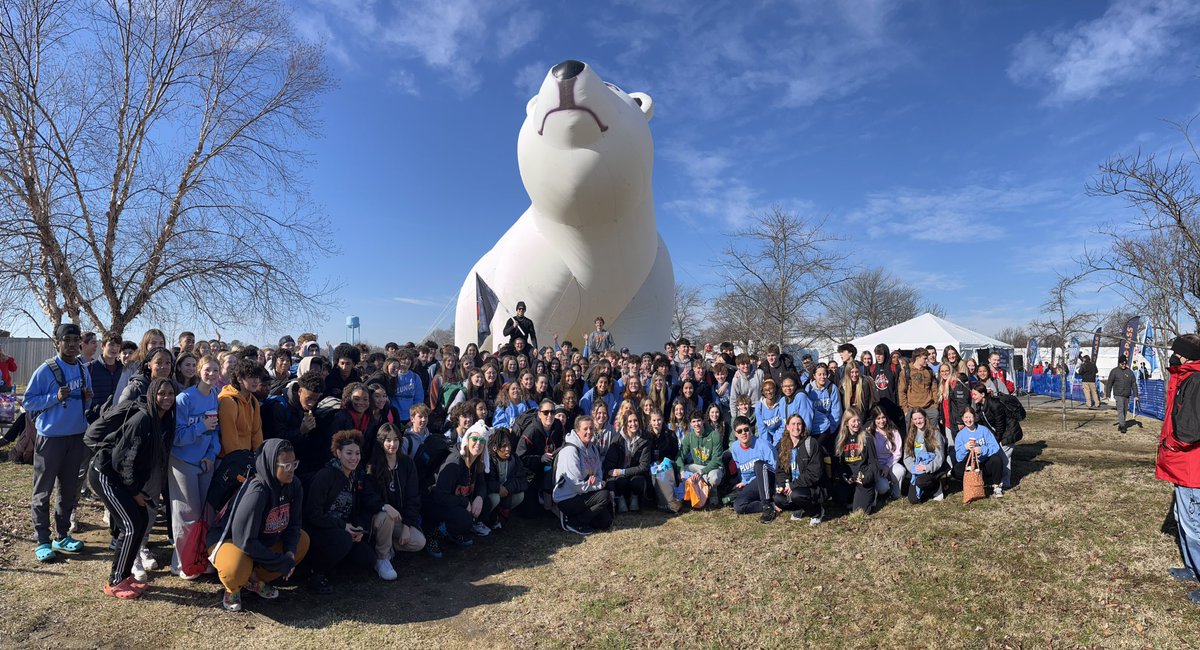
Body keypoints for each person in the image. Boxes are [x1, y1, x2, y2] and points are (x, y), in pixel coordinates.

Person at [86, 377, 175, 598]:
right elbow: (123, 461)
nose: (166, 398)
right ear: (152, 395)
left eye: (170, 394)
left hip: (123, 477)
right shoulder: (143, 419)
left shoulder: (164, 419)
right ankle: (116, 582)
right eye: (161, 393)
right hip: (106, 474)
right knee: (131, 525)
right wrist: (135, 492)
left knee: (141, 521)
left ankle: (125, 575)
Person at [207, 439, 309, 612]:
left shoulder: (294, 485)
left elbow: (294, 524)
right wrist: (279, 562)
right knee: (236, 568)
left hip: (261, 542)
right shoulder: (257, 491)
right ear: (271, 465)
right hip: (231, 541)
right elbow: (244, 541)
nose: (291, 469)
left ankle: (253, 579)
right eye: (286, 465)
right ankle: (233, 587)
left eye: (294, 464)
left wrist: (289, 552)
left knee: (302, 541)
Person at [27, 323, 94, 563]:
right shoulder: (46, 369)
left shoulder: (83, 369)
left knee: (68, 490)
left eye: (76, 340)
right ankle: (42, 540)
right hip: (51, 439)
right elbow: (29, 402)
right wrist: (53, 397)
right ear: (57, 342)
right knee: (43, 491)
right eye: (67, 340)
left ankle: (62, 535)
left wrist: (87, 398)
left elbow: (86, 401)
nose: (73, 344)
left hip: (76, 437)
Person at [304, 430, 390, 592]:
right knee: (343, 540)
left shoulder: (355, 477)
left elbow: (355, 510)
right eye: (349, 453)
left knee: (368, 559)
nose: (354, 458)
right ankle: (316, 573)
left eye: (357, 453)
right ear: (338, 453)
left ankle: (334, 565)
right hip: (320, 529)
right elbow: (313, 514)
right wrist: (343, 527)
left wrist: (358, 528)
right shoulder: (325, 476)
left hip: (343, 529)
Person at [1153, 334, 1200, 604]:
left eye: (1177, 352)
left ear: (1187, 355)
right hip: (1183, 466)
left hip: (1192, 467)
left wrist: (1170, 444)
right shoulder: (1186, 377)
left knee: (1195, 526)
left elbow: (1189, 430)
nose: (1173, 356)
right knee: (1183, 520)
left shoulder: (1196, 380)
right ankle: (1192, 567)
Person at [169, 355, 222, 577]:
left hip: (204, 462)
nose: (211, 374)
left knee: (205, 514)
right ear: (199, 371)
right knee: (186, 514)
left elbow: (215, 431)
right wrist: (201, 426)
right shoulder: (184, 399)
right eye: (207, 370)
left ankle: (199, 558)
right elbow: (176, 437)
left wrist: (211, 454)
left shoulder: (215, 396)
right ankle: (181, 563)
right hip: (183, 462)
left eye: (215, 370)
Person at [367, 423, 426, 577]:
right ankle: (382, 558)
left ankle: (386, 545)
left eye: (395, 439)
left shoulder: (407, 463)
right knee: (385, 516)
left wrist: (407, 525)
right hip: (379, 518)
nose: (392, 444)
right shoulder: (372, 465)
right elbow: (368, 496)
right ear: (381, 442)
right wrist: (384, 506)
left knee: (419, 542)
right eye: (388, 440)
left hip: (399, 519)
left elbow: (413, 497)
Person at [428, 421, 492, 546]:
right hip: (437, 503)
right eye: (474, 439)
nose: (478, 443)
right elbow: (439, 496)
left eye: (482, 441)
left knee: (486, 503)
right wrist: (464, 502)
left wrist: (479, 497)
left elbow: (481, 483)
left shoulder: (477, 461)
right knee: (464, 519)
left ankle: (462, 528)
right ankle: (435, 533)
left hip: (457, 499)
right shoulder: (455, 462)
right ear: (467, 440)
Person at [553, 416, 613, 534]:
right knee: (604, 495)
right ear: (577, 431)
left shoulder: (593, 448)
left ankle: (580, 518)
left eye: (591, 428)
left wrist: (595, 481)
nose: (589, 432)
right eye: (585, 429)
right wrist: (597, 485)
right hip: (567, 498)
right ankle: (573, 522)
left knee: (606, 522)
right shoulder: (570, 451)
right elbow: (576, 485)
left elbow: (598, 473)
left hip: (584, 493)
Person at [773, 414, 824, 524]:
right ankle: (800, 509)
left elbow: (814, 474)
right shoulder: (783, 445)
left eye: (799, 424)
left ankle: (817, 512)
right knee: (778, 499)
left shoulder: (811, 443)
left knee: (796, 495)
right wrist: (783, 485)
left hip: (811, 488)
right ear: (787, 427)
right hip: (793, 487)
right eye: (793, 424)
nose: (796, 427)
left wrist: (793, 485)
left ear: (803, 426)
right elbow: (780, 471)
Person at [516, 399, 564, 512]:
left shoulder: (558, 425)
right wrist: (540, 458)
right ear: (539, 414)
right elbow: (520, 457)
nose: (549, 415)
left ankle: (552, 504)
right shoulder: (531, 431)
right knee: (530, 512)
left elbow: (563, 443)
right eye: (546, 412)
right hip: (532, 470)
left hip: (553, 464)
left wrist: (557, 453)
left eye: (552, 412)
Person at [728, 416, 778, 522]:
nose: (743, 433)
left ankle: (767, 507)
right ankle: (772, 504)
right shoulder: (735, 448)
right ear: (736, 434)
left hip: (769, 482)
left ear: (751, 429)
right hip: (753, 484)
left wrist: (778, 489)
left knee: (759, 465)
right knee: (738, 505)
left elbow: (777, 469)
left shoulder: (764, 445)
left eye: (746, 429)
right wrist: (744, 481)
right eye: (740, 431)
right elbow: (740, 468)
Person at [604, 409, 651, 513]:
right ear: (625, 423)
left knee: (638, 481)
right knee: (621, 481)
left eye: (635, 420)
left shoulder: (645, 440)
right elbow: (609, 464)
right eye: (630, 421)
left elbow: (643, 466)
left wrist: (623, 471)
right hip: (620, 475)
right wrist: (613, 472)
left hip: (635, 473)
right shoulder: (617, 440)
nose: (633, 424)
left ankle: (634, 497)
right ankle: (620, 499)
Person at [832, 408, 877, 515]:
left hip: (862, 478)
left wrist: (866, 478)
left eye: (858, 420)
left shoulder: (867, 438)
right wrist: (843, 476)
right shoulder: (840, 440)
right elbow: (837, 463)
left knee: (859, 512)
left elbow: (873, 463)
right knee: (839, 496)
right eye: (853, 421)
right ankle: (852, 497)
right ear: (846, 423)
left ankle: (872, 494)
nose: (857, 424)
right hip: (849, 479)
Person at [218, 358, 265, 457]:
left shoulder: (253, 401)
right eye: (251, 377)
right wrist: (239, 460)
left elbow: (256, 432)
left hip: (246, 456)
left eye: (258, 377)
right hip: (228, 459)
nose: (256, 381)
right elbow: (229, 437)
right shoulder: (228, 401)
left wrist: (259, 456)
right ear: (239, 379)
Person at [953, 407, 1004, 497]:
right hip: (970, 465)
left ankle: (997, 486)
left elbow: (995, 447)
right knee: (956, 469)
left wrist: (982, 450)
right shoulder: (960, 435)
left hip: (984, 464)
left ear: (974, 417)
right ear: (962, 419)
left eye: (970, 417)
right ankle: (971, 482)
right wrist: (965, 448)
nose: (968, 420)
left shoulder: (983, 430)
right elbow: (959, 458)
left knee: (996, 459)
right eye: (966, 417)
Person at [677, 411, 724, 504]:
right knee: (682, 472)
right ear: (690, 424)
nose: (696, 424)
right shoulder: (689, 437)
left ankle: (713, 491)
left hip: (713, 467)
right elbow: (680, 456)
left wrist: (701, 472)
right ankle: (697, 491)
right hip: (697, 466)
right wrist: (682, 471)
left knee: (715, 478)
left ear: (703, 421)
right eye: (693, 421)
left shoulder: (714, 435)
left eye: (699, 421)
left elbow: (716, 460)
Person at [486, 428, 527, 528]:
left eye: (509, 445)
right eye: (504, 446)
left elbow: (523, 480)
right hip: (492, 494)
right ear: (495, 447)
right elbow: (484, 481)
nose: (508, 449)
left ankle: (502, 514)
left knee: (520, 496)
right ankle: (486, 519)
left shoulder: (514, 458)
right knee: (494, 498)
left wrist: (508, 487)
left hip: (507, 492)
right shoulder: (489, 460)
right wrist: (498, 488)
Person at [903, 409, 947, 503]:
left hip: (931, 468)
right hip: (917, 468)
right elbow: (907, 456)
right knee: (913, 500)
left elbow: (940, 456)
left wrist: (927, 467)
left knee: (921, 481)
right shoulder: (911, 435)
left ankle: (936, 487)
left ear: (925, 418)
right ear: (912, 420)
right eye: (915, 419)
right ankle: (926, 490)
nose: (918, 421)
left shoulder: (934, 433)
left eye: (920, 418)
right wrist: (914, 468)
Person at [898, 348, 938, 432]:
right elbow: (902, 391)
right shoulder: (906, 371)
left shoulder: (929, 371)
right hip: (912, 408)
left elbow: (934, 389)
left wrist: (935, 406)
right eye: (925, 358)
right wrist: (905, 409)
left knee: (931, 433)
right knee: (912, 434)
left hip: (929, 408)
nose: (927, 360)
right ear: (917, 358)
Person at [872, 407, 905, 500]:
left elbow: (897, 452)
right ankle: (878, 492)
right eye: (878, 418)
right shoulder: (871, 433)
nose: (881, 421)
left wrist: (887, 466)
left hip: (890, 464)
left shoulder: (894, 431)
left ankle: (895, 492)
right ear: (874, 420)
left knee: (900, 470)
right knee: (883, 488)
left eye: (883, 417)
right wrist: (878, 467)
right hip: (876, 466)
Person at [1107, 355, 1139, 433]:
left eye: (1125, 364)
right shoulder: (1114, 371)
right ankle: (1122, 426)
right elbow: (1110, 383)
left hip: (1127, 394)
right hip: (1118, 394)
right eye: (1122, 364)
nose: (1124, 365)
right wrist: (1108, 394)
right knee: (1120, 410)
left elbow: (1134, 384)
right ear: (1119, 363)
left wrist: (1136, 395)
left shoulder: (1129, 372)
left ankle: (1121, 423)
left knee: (1124, 411)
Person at [754, 378, 788, 450]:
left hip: (781, 435)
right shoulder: (759, 406)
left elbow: (784, 424)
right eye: (766, 390)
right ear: (763, 392)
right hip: (767, 435)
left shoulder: (782, 402)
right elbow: (762, 428)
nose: (769, 392)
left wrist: (776, 441)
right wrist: (768, 445)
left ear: (775, 389)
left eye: (771, 388)